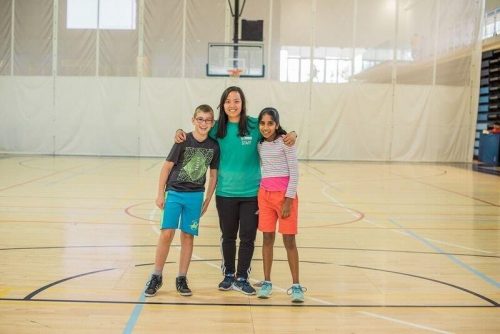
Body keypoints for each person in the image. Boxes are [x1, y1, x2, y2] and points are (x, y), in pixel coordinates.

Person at [175, 86, 297, 295]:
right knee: (228, 236)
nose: (232, 105)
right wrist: (179, 133)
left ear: (242, 104)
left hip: (252, 194)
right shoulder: (216, 128)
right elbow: (197, 132)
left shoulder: (253, 124)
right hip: (225, 193)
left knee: (248, 237)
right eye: (228, 101)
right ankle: (229, 274)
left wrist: (293, 133)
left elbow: (275, 131)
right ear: (223, 104)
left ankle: (242, 277)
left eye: (236, 101)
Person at [144, 104, 220, 297]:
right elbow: (166, 168)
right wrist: (160, 193)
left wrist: (208, 198)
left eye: (208, 120)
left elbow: (213, 175)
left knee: (187, 236)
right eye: (200, 119)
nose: (203, 123)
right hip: (175, 193)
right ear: (193, 120)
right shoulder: (183, 140)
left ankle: (181, 277)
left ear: (212, 123)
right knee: (167, 233)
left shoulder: (214, 146)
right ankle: (156, 275)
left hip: (195, 196)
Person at [255, 107, 306, 303]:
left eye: (270, 123)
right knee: (267, 239)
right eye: (262, 123)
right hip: (264, 196)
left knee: (289, 241)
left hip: (285, 197)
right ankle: (267, 282)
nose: (265, 127)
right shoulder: (260, 144)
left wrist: (288, 199)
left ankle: (296, 286)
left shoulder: (286, 143)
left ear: (277, 124)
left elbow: (295, 173)